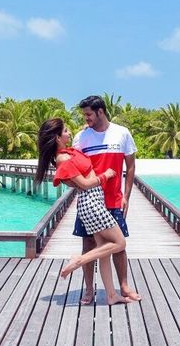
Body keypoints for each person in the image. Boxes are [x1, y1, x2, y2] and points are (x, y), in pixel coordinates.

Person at [34, 118, 132, 306]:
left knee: (104, 252)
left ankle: (111, 295)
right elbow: (85, 184)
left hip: (95, 202)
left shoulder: (68, 153)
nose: (69, 133)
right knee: (119, 242)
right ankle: (78, 260)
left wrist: (88, 129)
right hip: (91, 203)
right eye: (65, 131)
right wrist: (107, 175)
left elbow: (81, 163)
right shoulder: (63, 159)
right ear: (57, 137)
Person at [73, 95, 142, 305]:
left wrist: (127, 197)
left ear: (100, 111)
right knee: (88, 243)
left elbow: (130, 166)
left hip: (114, 199)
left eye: (89, 114)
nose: (86, 119)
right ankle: (88, 289)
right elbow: (74, 169)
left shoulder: (122, 133)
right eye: (85, 114)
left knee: (119, 245)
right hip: (90, 201)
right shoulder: (81, 138)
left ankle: (123, 286)